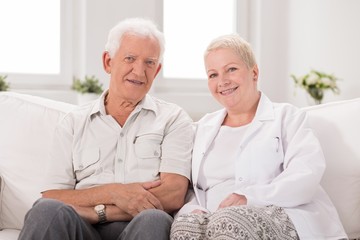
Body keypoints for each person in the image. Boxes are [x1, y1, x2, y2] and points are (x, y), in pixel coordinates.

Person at [18, 18, 194, 240]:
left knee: (154, 219)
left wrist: (100, 213)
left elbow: (173, 194)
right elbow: (52, 196)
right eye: (130, 58)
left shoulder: (173, 119)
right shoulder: (73, 122)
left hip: (140, 227)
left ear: (157, 69)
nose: (139, 72)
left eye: (149, 63)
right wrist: (114, 192)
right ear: (108, 62)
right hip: (81, 228)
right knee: (46, 211)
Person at [170, 34, 347, 240]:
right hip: (212, 216)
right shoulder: (202, 128)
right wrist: (193, 209)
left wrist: (249, 198)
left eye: (231, 69)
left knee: (230, 222)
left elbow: (305, 175)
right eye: (213, 74)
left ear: (254, 72)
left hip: (281, 212)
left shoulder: (287, 117)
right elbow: (191, 188)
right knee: (184, 228)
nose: (223, 81)